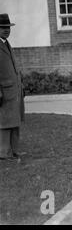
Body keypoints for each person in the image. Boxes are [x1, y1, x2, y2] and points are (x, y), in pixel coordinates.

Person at [0, 13, 25, 161]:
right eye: (3, 27)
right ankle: (3, 152)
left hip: (14, 90)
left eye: (8, 27)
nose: (6, 30)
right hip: (3, 91)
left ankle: (14, 150)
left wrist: (21, 85)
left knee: (15, 120)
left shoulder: (6, 44)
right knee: (4, 122)